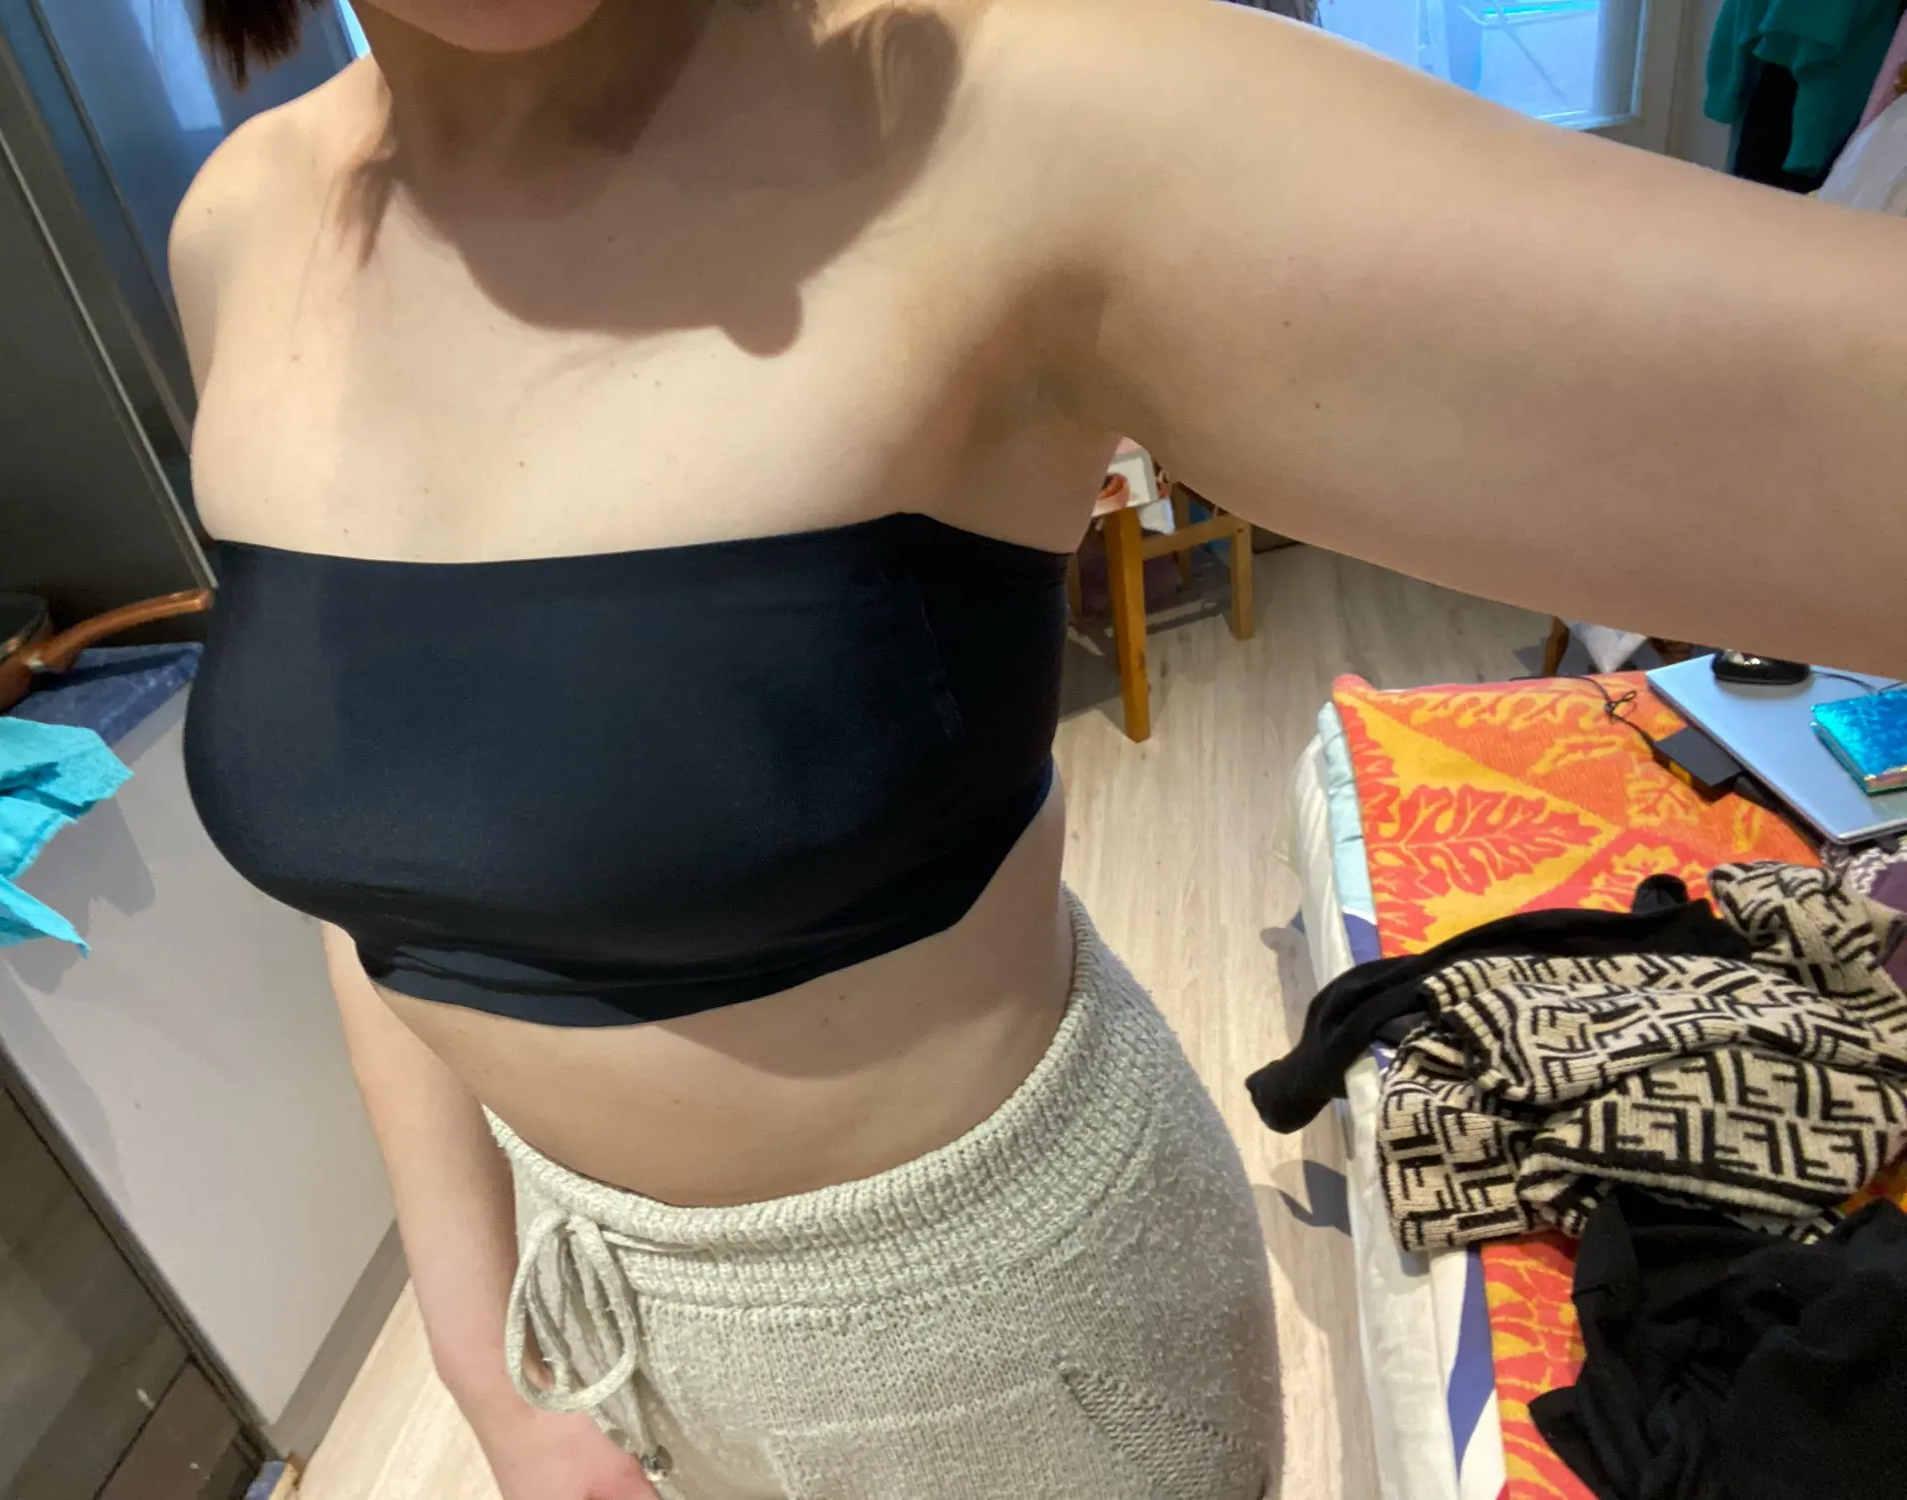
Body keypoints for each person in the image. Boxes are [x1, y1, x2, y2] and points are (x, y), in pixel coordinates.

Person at [173, 1, 1906, 1496]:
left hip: (1010, 1365)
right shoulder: (241, 227)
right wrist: (483, 1361)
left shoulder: (1006, 125)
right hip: (599, 1326)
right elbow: (378, 892)